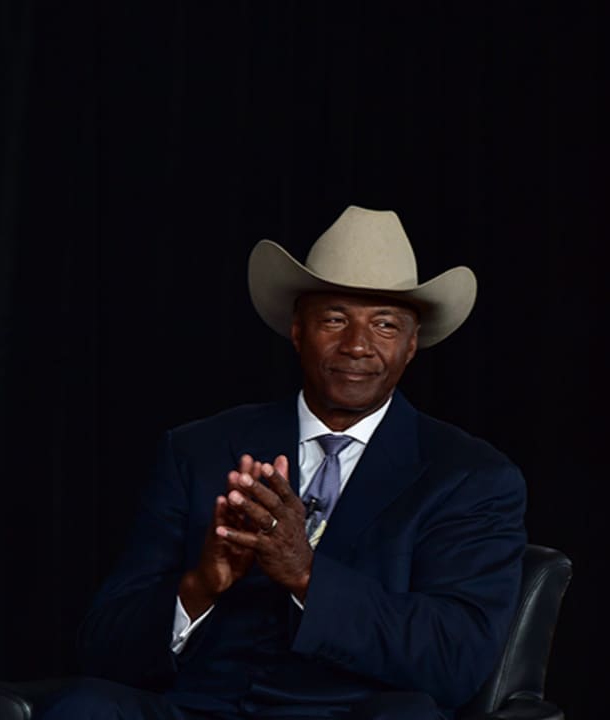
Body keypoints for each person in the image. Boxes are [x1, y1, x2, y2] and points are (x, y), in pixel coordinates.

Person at [41, 206, 527, 720]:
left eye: (384, 325)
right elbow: (101, 647)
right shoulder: (198, 450)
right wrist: (201, 583)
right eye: (334, 319)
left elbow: (455, 661)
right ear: (298, 331)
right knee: (84, 707)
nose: (357, 345)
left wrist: (305, 574)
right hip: (201, 707)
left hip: (351, 715)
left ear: (411, 346)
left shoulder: (471, 476)